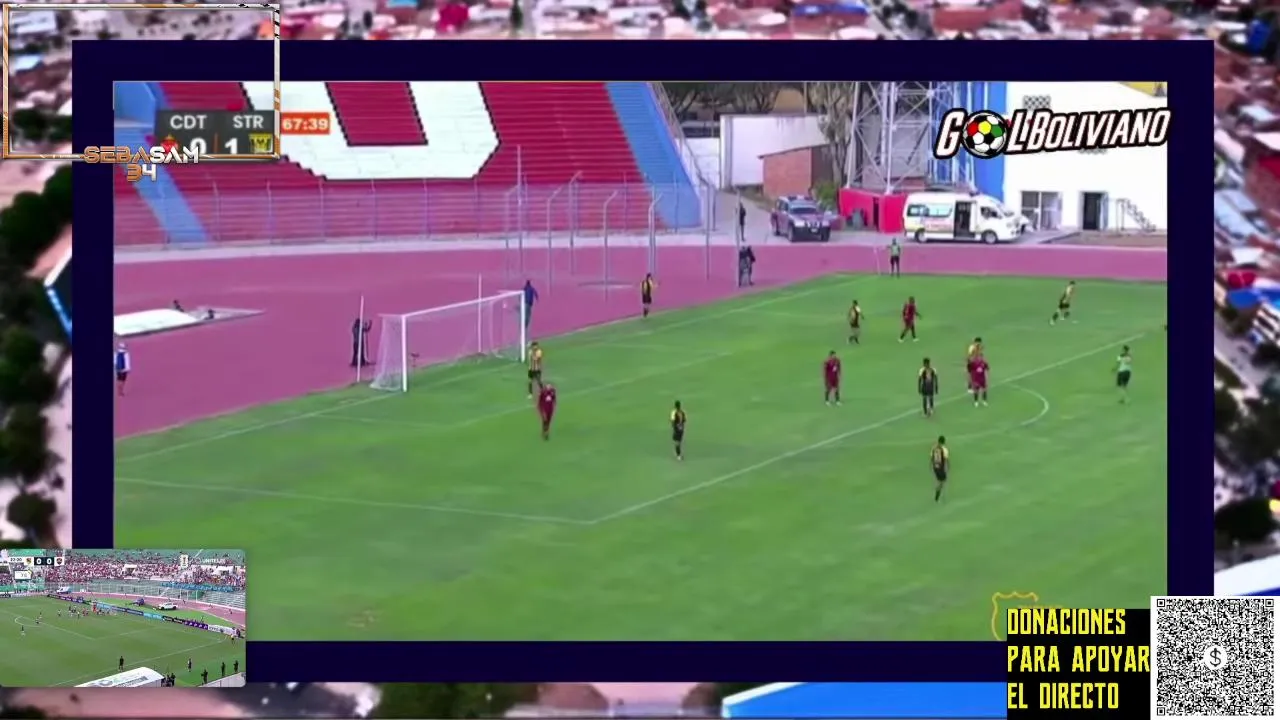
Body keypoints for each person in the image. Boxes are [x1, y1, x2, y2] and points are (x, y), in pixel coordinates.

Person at [931, 436, 950, 502]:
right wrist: (948, 467)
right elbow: (946, 459)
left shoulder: (934, 448)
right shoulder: (944, 449)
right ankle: (938, 492)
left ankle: (938, 490)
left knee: (940, 480)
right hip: (941, 467)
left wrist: (931, 466)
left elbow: (932, 458)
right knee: (942, 481)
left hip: (935, 467)